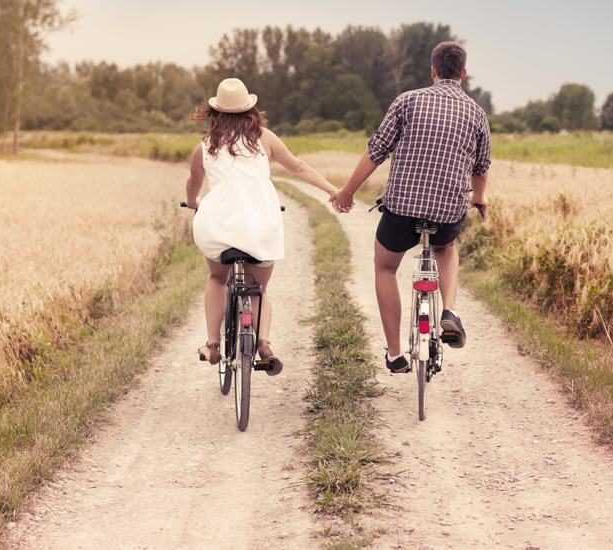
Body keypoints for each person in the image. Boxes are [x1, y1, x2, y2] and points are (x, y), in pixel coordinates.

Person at [331, 41, 491, 373]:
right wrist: (479, 197)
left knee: (385, 267)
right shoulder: (477, 112)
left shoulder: (408, 101)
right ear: (463, 73)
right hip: (447, 213)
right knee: (446, 248)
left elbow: (376, 152)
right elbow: (481, 167)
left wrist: (347, 191)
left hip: (401, 210)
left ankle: (394, 354)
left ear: (433, 70)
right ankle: (448, 311)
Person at [186, 77, 339, 374]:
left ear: (215, 112)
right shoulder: (265, 138)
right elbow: (298, 167)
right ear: (250, 111)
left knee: (218, 278)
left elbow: (192, 184)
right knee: (259, 287)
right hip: (260, 224)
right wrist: (333, 190)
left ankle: (212, 344)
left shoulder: (204, 146)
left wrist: (193, 202)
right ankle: (264, 344)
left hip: (217, 226)